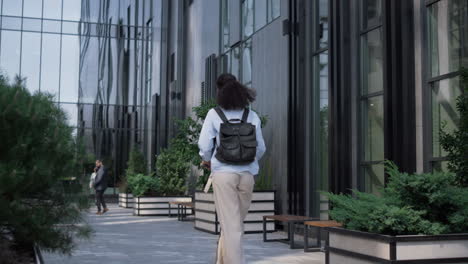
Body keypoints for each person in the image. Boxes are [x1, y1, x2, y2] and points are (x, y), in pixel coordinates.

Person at [198, 73, 266, 264]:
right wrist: (249, 160)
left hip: (224, 174)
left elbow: (204, 146)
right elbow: (261, 148)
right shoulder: (251, 115)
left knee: (232, 227)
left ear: (221, 94)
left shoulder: (214, 114)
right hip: (247, 175)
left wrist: (207, 160)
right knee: (233, 225)